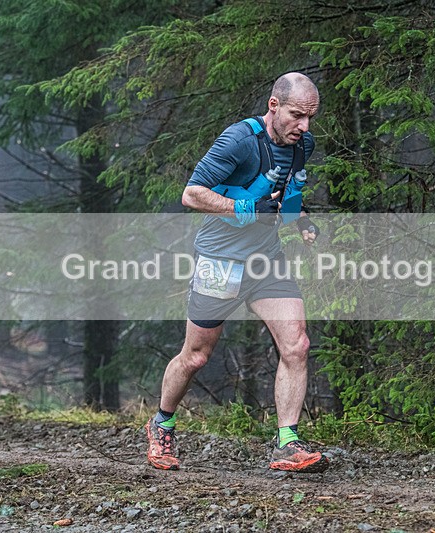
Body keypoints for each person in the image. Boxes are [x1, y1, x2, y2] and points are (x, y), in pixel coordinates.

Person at [146, 72, 327, 473]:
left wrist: (300, 221)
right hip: (220, 261)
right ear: (274, 106)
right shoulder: (240, 141)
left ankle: (287, 442)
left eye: (310, 117)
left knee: (296, 345)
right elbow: (191, 194)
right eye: (297, 115)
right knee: (195, 356)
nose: (305, 126)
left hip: (266, 261)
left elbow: (288, 190)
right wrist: (245, 209)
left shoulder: (303, 145)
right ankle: (162, 423)